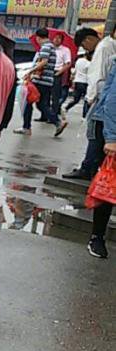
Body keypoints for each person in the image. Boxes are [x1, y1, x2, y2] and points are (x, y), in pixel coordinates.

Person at [63, 27, 116, 180]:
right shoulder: (109, 46)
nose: (85, 49)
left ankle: (88, 169)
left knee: (95, 136)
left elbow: (97, 76)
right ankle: (92, 168)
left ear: (88, 39)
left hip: (100, 98)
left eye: (84, 45)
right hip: (103, 97)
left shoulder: (103, 47)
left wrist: (91, 97)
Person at [85, 57, 116, 259]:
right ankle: (97, 237)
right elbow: (113, 101)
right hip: (110, 128)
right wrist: (112, 138)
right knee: (108, 184)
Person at [15, 28, 67, 137]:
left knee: (28, 102)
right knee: (42, 104)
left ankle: (26, 127)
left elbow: (44, 62)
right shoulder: (51, 47)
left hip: (40, 80)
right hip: (47, 81)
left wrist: (30, 71)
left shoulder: (45, 47)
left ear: (38, 38)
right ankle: (57, 122)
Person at [51, 34, 72, 119]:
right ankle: (44, 115)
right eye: (55, 37)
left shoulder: (65, 50)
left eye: (59, 38)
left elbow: (68, 63)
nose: (57, 39)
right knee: (45, 95)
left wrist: (59, 73)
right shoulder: (49, 48)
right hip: (48, 71)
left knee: (55, 96)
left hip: (57, 72)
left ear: (62, 40)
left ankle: (53, 115)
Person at [65, 52, 91, 117]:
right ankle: (85, 114)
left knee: (76, 99)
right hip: (85, 82)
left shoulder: (78, 61)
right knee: (86, 99)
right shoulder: (89, 63)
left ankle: (66, 108)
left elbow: (75, 71)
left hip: (78, 81)